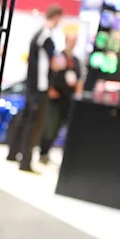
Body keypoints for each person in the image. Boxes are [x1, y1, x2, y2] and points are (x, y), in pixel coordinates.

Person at [6, 5, 64, 173]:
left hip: (33, 86)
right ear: (56, 17)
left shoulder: (39, 34)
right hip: (40, 88)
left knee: (26, 120)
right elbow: (52, 63)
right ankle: (26, 161)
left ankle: (14, 153)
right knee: (34, 124)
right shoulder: (46, 36)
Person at [39, 32, 83, 164]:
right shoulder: (58, 56)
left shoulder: (76, 61)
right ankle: (43, 152)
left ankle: (47, 152)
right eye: (70, 40)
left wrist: (78, 95)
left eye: (74, 41)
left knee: (59, 127)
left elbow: (79, 80)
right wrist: (50, 88)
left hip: (68, 100)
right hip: (55, 98)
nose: (72, 43)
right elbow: (49, 73)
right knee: (50, 126)